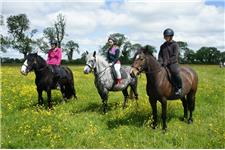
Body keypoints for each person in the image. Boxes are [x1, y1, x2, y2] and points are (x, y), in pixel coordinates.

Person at [158, 28, 182, 96]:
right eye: (165, 36)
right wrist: (160, 61)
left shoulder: (175, 45)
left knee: (174, 72)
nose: (165, 37)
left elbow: (175, 56)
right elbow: (160, 55)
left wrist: (167, 62)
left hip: (173, 63)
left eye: (167, 36)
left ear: (171, 36)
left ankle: (179, 88)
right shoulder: (162, 46)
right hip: (163, 64)